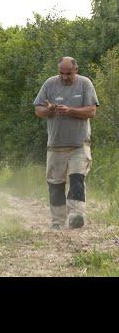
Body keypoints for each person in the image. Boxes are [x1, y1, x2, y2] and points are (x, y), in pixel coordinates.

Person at [33, 56, 99, 229]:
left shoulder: (85, 84)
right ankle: (57, 223)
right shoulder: (49, 84)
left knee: (77, 179)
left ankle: (76, 216)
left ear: (76, 70)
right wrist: (49, 110)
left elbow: (92, 111)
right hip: (55, 145)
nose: (64, 77)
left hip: (79, 144)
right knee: (55, 184)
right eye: (61, 73)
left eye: (68, 73)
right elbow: (38, 110)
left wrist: (70, 110)